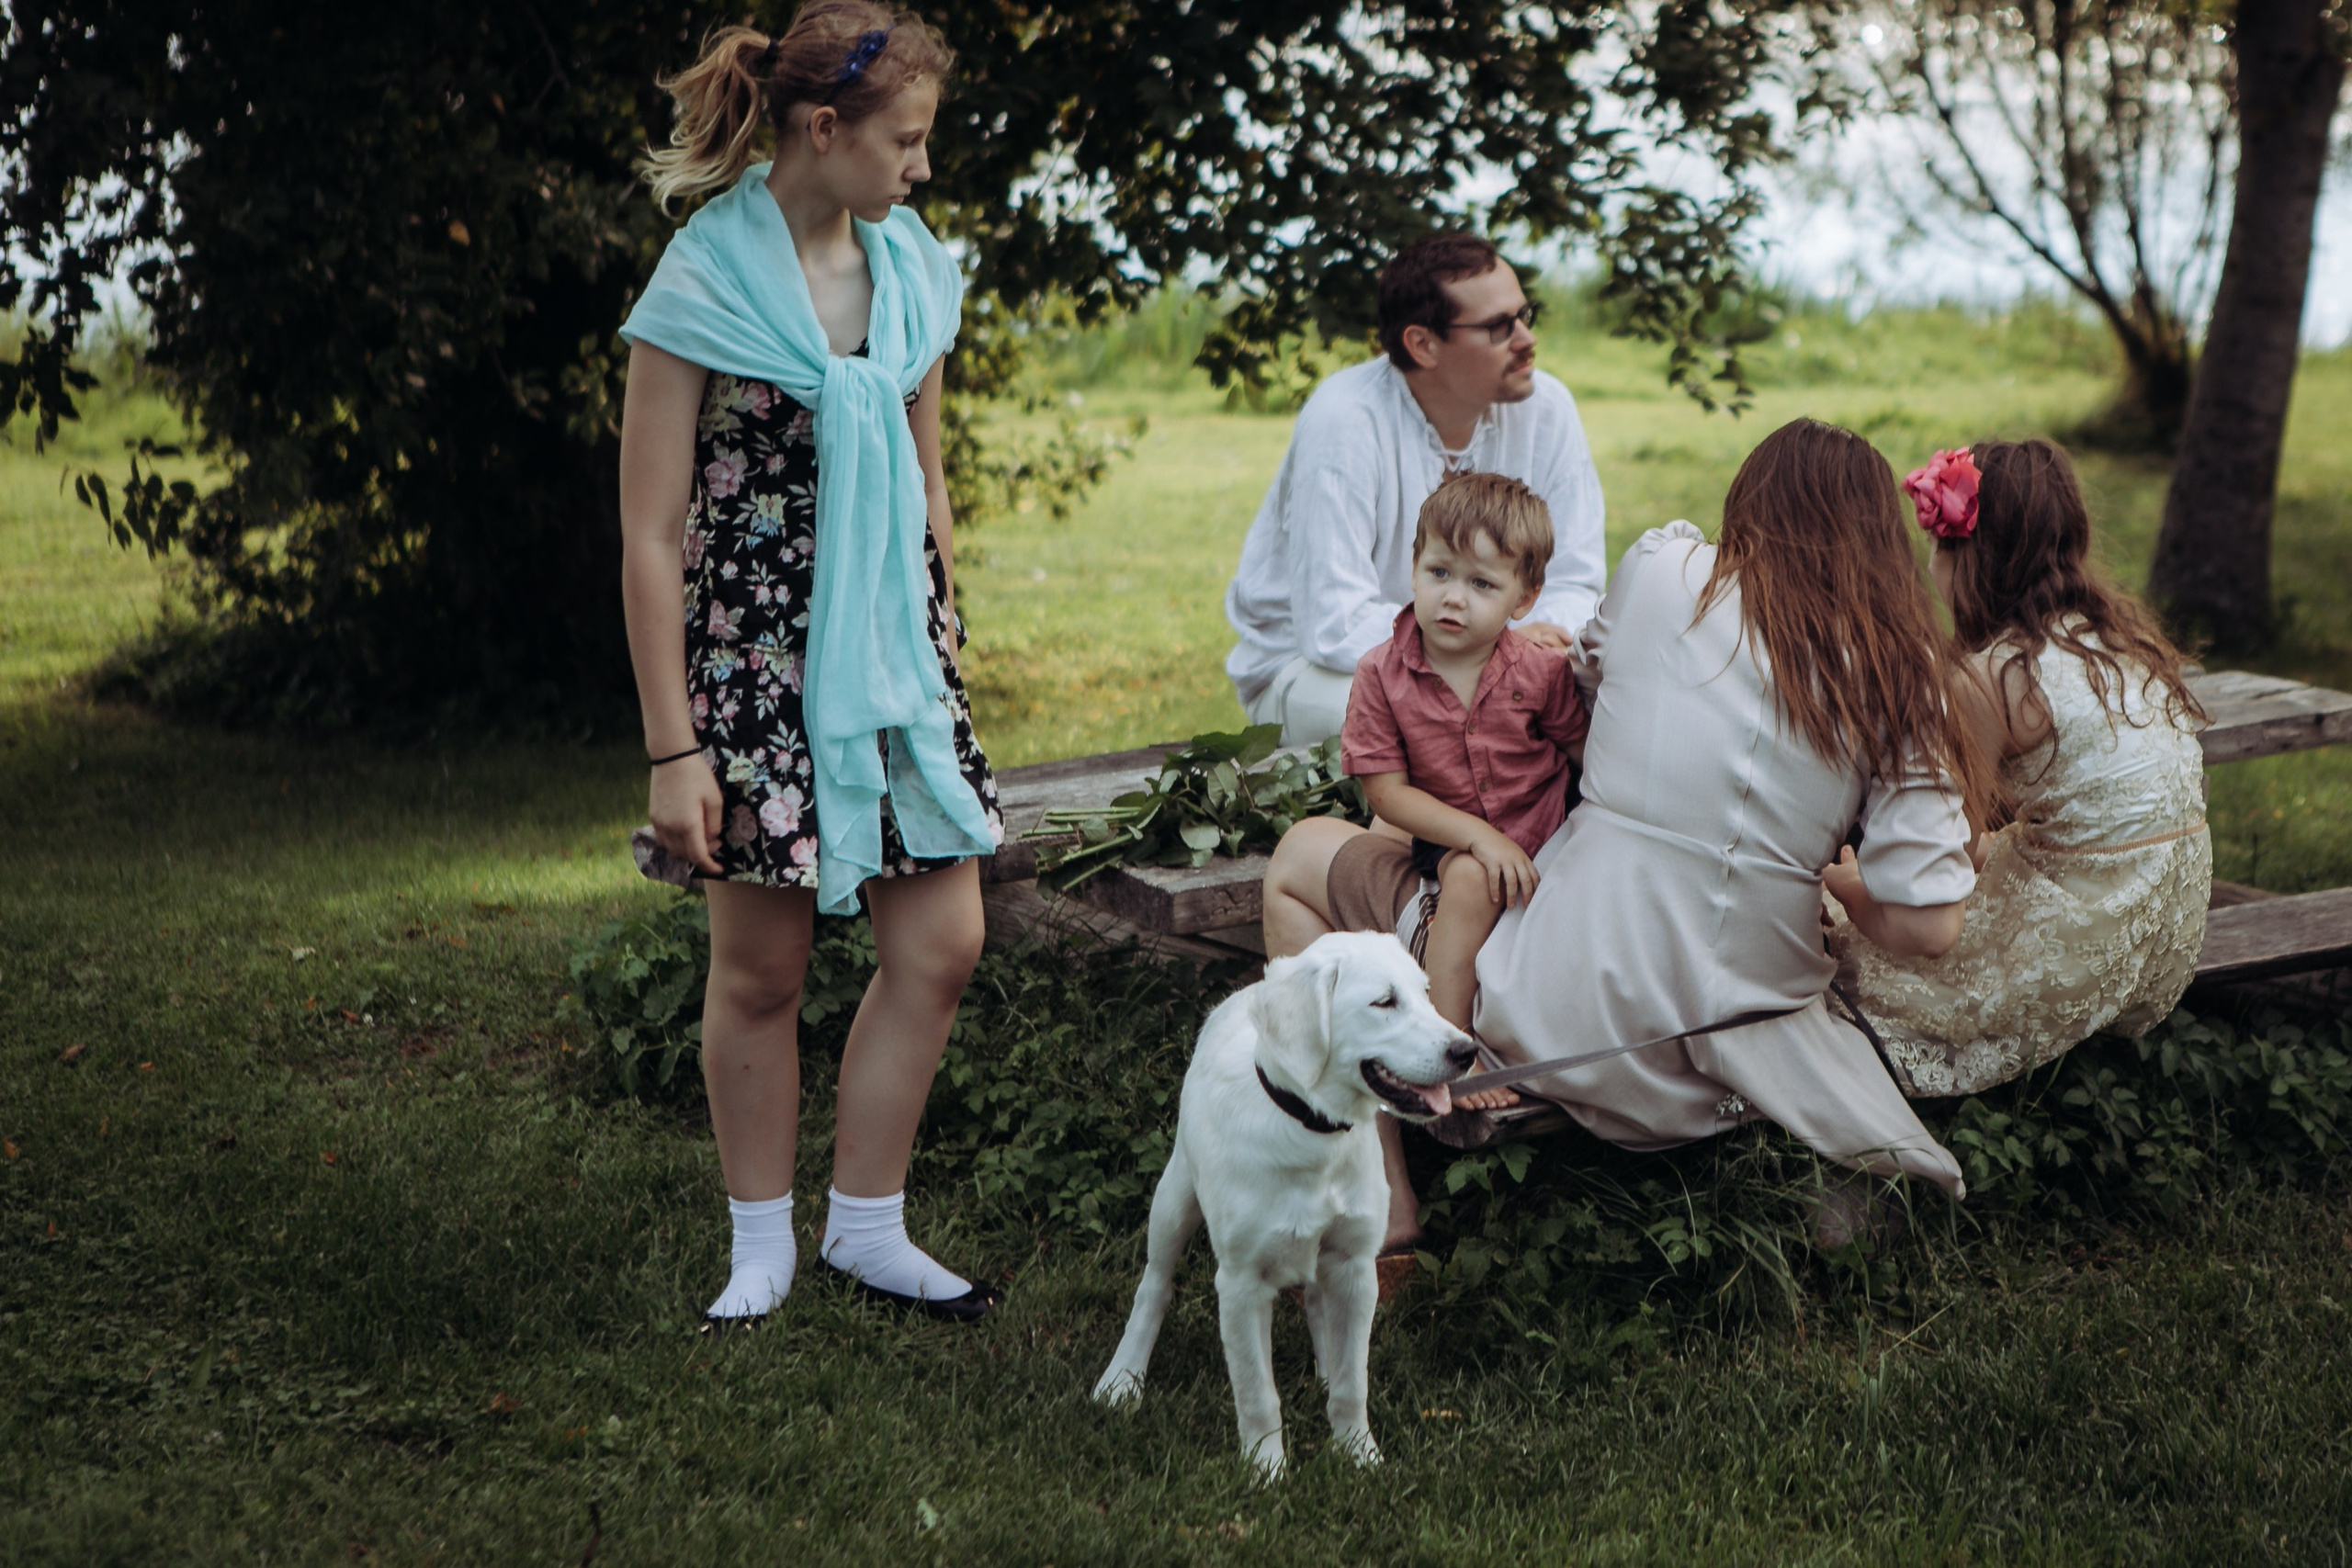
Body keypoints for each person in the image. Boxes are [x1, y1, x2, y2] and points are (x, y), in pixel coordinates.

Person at [1267, 419, 1988, 1254]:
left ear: (1747, 504)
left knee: (1300, 857)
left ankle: (1381, 1198)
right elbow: (1928, 923)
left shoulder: (1666, 572)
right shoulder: (1902, 674)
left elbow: (1589, 675)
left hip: (1564, 1008)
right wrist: (1834, 881)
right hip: (1743, 1044)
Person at [616, 4, 1000, 1329]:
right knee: (762, 969)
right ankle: (761, 1239)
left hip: (892, 656)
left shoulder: (915, 272)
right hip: (756, 669)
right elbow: (652, 533)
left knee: (942, 942)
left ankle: (870, 1225)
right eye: (906, 139)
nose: (921, 166)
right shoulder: (704, 280)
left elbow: (926, 471)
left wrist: (945, 625)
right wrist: (676, 748)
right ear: (821, 131)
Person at [1825, 439, 2211, 1096]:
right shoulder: (2117, 642)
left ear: (1961, 555)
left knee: (1843, 947)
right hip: (2171, 924)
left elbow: (1942, 867)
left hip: (2089, 927)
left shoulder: (1996, 675)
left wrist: (1845, 882)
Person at [1223, 233, 1607, 746]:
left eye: (1524, 314)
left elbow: (1574, 580)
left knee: (1613, 708)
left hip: (1507, 658)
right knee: (1434, 726)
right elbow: (1337, 625)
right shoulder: (1344, 421)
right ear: (1423, 344)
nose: (1525, 339)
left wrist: (1525, 661)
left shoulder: (1547, 408)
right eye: (1498, 327)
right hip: (1322, 669)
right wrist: (1500, 650)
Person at [1336, 472, 1587, 1108]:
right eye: (1439, 572)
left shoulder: (1540, 671)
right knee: (1473, 880)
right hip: (1451, 835)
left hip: (1548, 834)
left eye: (1482, 584)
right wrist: (1479, 837)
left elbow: (1583, 753)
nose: (1454, 598)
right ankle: (1450, 1049)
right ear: (1413, 565)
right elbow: (1388, 795)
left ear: (1525, 597)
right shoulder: (1381, 674)